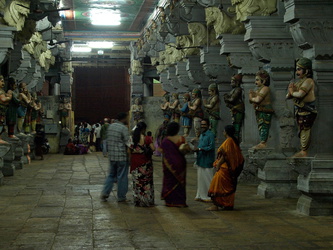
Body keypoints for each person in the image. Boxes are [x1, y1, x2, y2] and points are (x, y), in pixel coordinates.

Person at [206, 125, 244, 211]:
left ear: (226, 132)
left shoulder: (229, 141)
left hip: (225, 168)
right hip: (227, 168)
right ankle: (226, 204)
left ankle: (216, 205)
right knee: (223, 186)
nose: (223, 132)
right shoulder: (232, 141)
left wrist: (219, 164)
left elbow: (226, 154)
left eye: (223, 131)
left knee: (216, 185)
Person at [286, 57, 317, 157]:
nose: (297, 72)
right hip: (299, 111)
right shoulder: (300, 81)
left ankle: (304, 151)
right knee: (301, 130)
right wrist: (291, 91)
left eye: (299, 69)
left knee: (305, 129)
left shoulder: (308, 81)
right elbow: (288, 96)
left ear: (306, 70)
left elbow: (299, 95)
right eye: (296, 69)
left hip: (307, 110)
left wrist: (291, 91)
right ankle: (303, 150)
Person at [101, 112, 130, 202]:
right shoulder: (123, 128)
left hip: (112, 156)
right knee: (122, 177)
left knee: (111, 175)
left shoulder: (111, 127)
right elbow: (128, 143)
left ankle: (105, 192)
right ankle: (121, 197)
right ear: (124, 118)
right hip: (121, 156)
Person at [160, 122, 188, 207]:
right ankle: (180, 201)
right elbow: (185, 150)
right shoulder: (181, 139)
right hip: (180, 163)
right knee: (180, 183)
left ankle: (170, 201)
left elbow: (161, 151)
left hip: (169, 165)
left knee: (169, 181)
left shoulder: (165, 140)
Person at [130, 122, 155, 206]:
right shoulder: (147, 138)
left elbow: (128, 151)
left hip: (135, 162)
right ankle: (147, 200)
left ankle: (138, 201)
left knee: (137, 182)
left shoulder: (132, 138)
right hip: (146, 162)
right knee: (147, 182)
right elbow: (153, 148)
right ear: (144, 129)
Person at [249, 70, 274, 149]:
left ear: (264, 81)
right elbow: (252, 100)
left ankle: (263, 142)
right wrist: (252, 97)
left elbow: (257, 100)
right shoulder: (259, 89)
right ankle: (262, 141)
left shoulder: (265, 88)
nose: (255, 82)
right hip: (259, 110)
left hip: (265, 110)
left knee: (264, 125)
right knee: (260, 126)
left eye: (257, 80)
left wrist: (251, 96)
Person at [193, 118, 215, 202]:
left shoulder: (210, 135)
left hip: (207, 159)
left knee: (208, 178)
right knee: (200, 178)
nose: (202, 126)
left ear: (208, 125)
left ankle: (209, 195)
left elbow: (211, 147)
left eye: (204, 124)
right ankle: (200, 194)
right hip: (201, 159)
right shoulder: (202, 135)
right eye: (201, 125)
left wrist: (199, 149)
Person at [224, 74, 245, 141]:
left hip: (238, 109)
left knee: (237, 124)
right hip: (234, 109)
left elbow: (232, 99)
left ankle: (236, 138)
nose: (231, 84)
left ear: (237, 82)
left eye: (232, 82)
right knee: (234, 123)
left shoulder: (238, 89)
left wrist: (227, 98)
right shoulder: (234, 90)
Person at [0, 75, 13, 143]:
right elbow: (3, 99)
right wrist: (9, 97)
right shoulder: (0, 91)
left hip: (2, 111)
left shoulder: (2, 91)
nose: (3, 83)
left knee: (1, 123)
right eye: (1, 81)